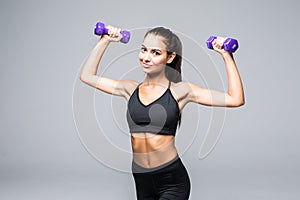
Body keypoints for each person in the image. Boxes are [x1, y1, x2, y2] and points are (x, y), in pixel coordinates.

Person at [80, 24, 244, 200]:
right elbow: (87, 75)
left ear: (170, 57)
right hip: (141, 179)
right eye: (144, 50)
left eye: (156, 53)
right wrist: (105, 40)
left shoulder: (180, 91)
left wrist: (227, 55)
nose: (146, 58)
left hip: (172, 181)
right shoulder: (129, 89)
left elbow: (235, 99)